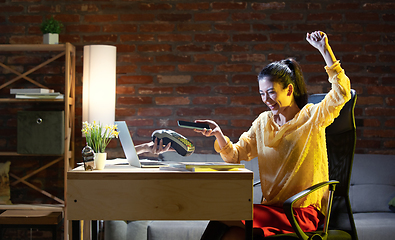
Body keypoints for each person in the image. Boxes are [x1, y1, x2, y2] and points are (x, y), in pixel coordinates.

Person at [194, 31, 351, 240]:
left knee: (225, 215)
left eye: (271, 92)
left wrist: (325, 50)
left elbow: (342, 93)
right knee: (232, 235)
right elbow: (235, 155)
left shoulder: (312, 117)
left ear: (289, 90)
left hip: (301, 211)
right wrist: (218, 134)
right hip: (271, 209)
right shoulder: (263, 122)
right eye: (261, 93)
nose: (266, 99)